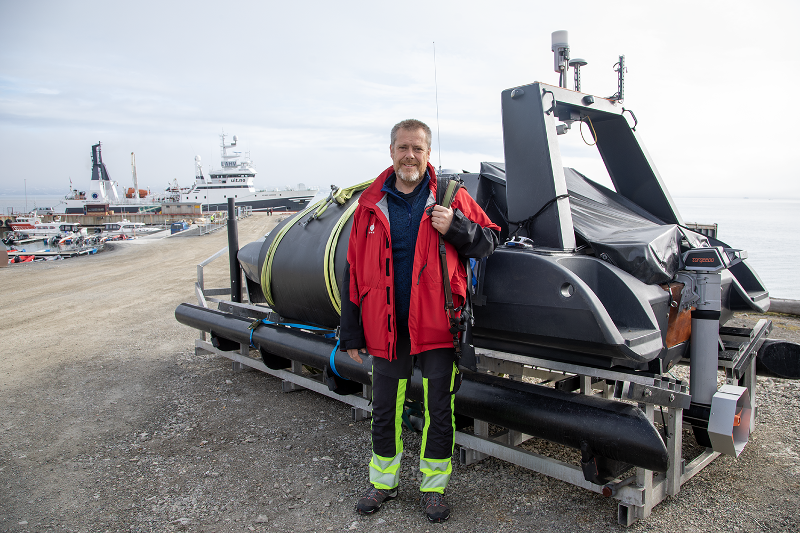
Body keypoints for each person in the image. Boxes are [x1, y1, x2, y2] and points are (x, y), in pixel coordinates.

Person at [339, 119, 499, 523]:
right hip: (386, 327)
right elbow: (354, 271)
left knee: (438, 410)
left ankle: (433, 488)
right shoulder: (369, 206)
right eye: (403, 147)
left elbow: (490, 241)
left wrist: (457, 227)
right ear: (391, 151)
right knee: (384, 408)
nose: (410, 155)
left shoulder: (450, 196)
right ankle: (383, 482)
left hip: (438, 325)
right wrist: (352, 331)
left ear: (429, 155)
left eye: (418, 149)